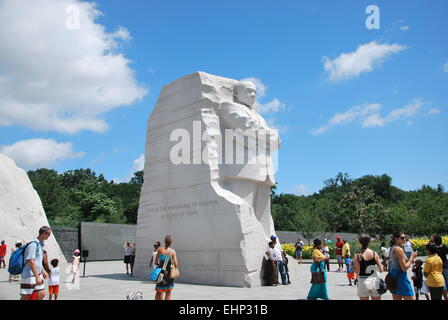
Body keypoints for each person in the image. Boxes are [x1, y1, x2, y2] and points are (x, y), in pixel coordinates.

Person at [20, 226, 52, 300]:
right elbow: (30, 261)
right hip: (29, 275)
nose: (49, 236)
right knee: (26, 295)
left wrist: (42, 271)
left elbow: (38, 261)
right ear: (44, 233)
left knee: (41, 294)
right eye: (49, 234)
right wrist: (37, 276)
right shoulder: (33, 244)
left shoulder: (40, 244)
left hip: (37, 274)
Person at [353, 234, 383, 300]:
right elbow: (381, 269)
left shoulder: (357, 255)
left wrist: (352, 267)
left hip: (363, 280)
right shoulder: (374, 253)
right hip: (374, 280)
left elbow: (357, 272)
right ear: (368, 242)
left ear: (360, 242)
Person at [388, 232, 417, 300]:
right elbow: (404, 268)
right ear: (396, 239)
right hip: (401, 277)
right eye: (402, 238)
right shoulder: (399, 249)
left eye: (405, 237)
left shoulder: (392, 248)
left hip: (393, 276)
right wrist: (412, 257)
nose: (404, 239)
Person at [154, 235, 178, 300]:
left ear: (164, 241)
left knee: (159, 291)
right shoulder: (173, 252)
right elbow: (176, 264)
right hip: (169, 274)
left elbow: (155, 262)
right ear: (171, 242)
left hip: (161, 272)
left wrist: (161, 265)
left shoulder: (160, 249)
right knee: (168, 291)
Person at [433, 235, 448, 300]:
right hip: (445, 265)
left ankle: (444, 295)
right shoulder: (444, 246)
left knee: (441, 282)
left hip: (437, 266)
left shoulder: (434, 248)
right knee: (447, 280)